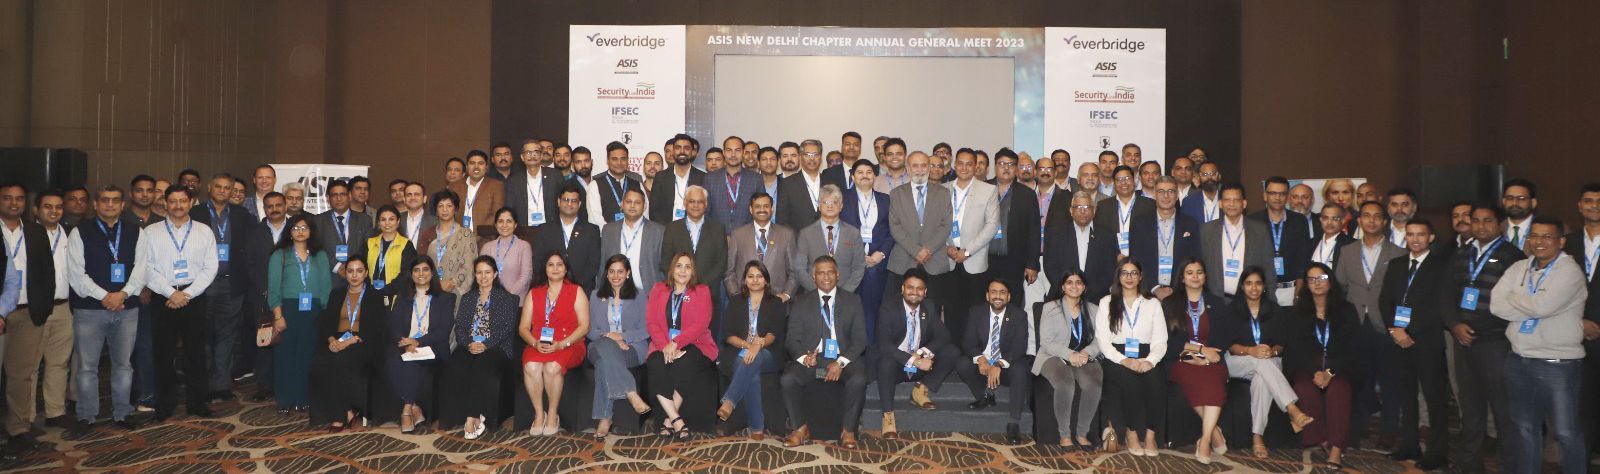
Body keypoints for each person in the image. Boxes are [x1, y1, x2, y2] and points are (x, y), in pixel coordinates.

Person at [1491, 216, 1588, 473]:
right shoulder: (1518, 267)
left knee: (1566, 432)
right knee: (1524, 428)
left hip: (1558, 364)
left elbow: (1542, 307)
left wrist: (1516, 297)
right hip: (1519, 359)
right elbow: (1496, 305)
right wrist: (1529, 303)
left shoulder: (1569, 271)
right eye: (1534, 236)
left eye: (1547, 236)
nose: (1539, 241)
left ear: (1561, 241)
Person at [1444, 204, 1524, 470]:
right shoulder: (1462, 253)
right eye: (1476, 220)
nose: (1481, 226)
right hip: (1463, 339)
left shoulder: (1512, 255)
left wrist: (1480, 327)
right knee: (1470, 406)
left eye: (1487, 220)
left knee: (1504, 408)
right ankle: (1469, 463)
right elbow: (1446, 294)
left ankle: (1510, 465)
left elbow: (1516, 301)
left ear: (1500, 224)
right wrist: (1455, 325)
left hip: (1495, 342)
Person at [65, 186, 145, 430]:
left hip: (127, 308)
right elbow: (76, 275)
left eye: (115, 200)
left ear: (122, 205)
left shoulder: (135, 231)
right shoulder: (80, 232)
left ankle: (122, 412)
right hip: (89, 310)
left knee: (123, 365)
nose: (110, 204)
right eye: (105, 200)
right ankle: (86, 415)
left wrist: (122, 294)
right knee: (87, 367)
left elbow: (142, 269)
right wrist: (106, 297)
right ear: (96, 204)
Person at [137, 186, 219, 422]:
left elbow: (210, 267)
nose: (178, 206)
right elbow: (146, 267)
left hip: (194, 296)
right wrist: (171, 293)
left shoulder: (204, 231)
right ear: (165, 203)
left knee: (196, 352)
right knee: (163, 353)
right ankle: (164, 404)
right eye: (172, 201)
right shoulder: (150, 232)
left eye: (183, 201)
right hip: (163, 298)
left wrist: (187, 294)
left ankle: (198, 403)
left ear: (191, 202)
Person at [1377, 219, 1450, 470]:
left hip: (1427, 341)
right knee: (1405, 395)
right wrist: (1394, 330)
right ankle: (1409, 444)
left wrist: (1409, 332)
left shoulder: (1441, 266)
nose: (1415, 239)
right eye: (1410, 234)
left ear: (1431, 237)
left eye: (1421, 234)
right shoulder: (1397, 264)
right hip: (1399, 340)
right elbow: (1384, 300)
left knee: (1434, 398)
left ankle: (1437, 453)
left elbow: (1440, 306)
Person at [2, 187, 72, 441]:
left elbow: (46, 273)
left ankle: (20, 426)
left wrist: (40, 308)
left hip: (30, 311)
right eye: (7, 198)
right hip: (3, 311)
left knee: (23, 374)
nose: (14, 203)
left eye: (19, 198)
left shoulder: (34, 232)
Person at [1332, 201, 1404, 447]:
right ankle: (1358, 426)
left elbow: (1401, 293)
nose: (1371, 220)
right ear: (1359, 220)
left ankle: (1389, 430)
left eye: (1377, 216)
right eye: (1366, 216)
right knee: (1359, 377)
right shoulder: (1348, 251)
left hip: (1385, 323)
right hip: (1355, 322)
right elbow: (1339, 287)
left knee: (1390, 379)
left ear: (1384, 221)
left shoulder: (1398, 253)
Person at [1224, 267, 1316, 457]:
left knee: (1261, 380)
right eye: (1249, 283)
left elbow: (1281, 344)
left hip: (1269, 361)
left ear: (1264, 286)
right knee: (1260, 363)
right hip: (1238, 361)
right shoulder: (1232, 310)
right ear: (1242, 286)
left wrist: (1271, 352)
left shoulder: (1274, 310)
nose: (1254, 288)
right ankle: (1292, 408)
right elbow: (1230, 346)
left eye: (1258, 283)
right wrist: (1251, 351)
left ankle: (1257, 437)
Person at [781, 256, 869, 449]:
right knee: (788, 379)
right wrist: (804, 358)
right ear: (814, 277)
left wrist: (840, 362)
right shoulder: (801, 301)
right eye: (821, 273)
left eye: (830, 272)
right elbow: (791, 339)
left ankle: (848, 431)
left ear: (838, 275)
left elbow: (860, 340)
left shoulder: (853, 300)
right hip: (814, 362)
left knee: (859, 379)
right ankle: (800, 428)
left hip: (843, 360)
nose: (826, 277)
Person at [190, 174, 256, 402]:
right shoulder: (195, 213)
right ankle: (204, 383)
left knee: (227, 334)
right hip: (202, 284)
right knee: (203, 334)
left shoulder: (242, 215)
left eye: (227, 188)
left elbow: (250, 248)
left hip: (231, 283)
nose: (222, 191)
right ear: (209, 188)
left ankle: (221, 384)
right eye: (218, 186)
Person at [439, 256, 520, 440]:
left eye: (487, 272)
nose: (483, 277)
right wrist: (469, 343)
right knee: (455, 364)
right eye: (479, 272)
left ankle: (473, 415)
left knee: (482, 365)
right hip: (470, 344)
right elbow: (460, 327)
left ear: (495, 274)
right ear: (475, 275)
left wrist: (485, 344)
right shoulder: (468, 298)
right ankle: (453, 416)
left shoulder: (505, 298)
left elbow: (506, 328)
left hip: (496, 347)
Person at [1094, 258, 1167, 456]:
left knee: (1156, 380)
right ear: (1118, 276)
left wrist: (1150, 361)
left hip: (1147, 355)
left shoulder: (1153, 303)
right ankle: (1131, 432)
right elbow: (1103, 341)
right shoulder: (1106, 302)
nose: (1129, 277)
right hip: (1116, 356)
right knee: (1130, 380)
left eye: (1134, 273)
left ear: (1140, 277)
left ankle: (1150, 435)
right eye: (1124, 273)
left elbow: (1160, 340)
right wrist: (1124, 360)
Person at [1287, 262, 1358, 467]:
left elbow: (1353, 348)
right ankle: (1322, 438)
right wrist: (1314, 372)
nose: (1317, 283)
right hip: (1308, 366)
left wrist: (1330, 372)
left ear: (1330, 281)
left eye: (1322, 278)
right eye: (1311, 280)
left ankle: (1336, 449)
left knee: (1339, 390)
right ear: (1306, 285)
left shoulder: (1346, 310)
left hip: (1339, 366)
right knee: (1304, 388)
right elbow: (1296, 349)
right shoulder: (1298, 312)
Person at [875, 268, 958, 439]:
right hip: (897, 365)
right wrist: (915, 360)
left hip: (921, 366)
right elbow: (884, 345)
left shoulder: (929, 306)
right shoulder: (888, 308)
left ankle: (921, 389)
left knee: (951, 352)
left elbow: (944, 335)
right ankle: (888, 416)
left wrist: (923, 352)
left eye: (919, 289)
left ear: (925, 292)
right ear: (902, 289)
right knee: (885, 362)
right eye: (910, 288)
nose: (914, 292)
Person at [1161, 258, 1230, 463]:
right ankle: (1214, 431)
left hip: (1212, 359)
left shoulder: (1217, 303)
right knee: (1195, 378)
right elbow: (1166, 341)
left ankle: (1205, 439)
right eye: (1189, 272)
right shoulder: (1169, 303)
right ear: (1182, 278)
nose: (1195, 276)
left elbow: (1223, 339)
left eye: (1199, 272)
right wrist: (1197, 351)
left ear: (1205, 276)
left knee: (1214, 381)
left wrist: (1206, 355)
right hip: (1180, 359)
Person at [645, 252, 717, 441]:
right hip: (661, 344)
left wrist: (676, 343)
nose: (683, 271)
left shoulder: (702, 291)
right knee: (655, 364)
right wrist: (665, 346)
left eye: (687, 266)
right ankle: (677, 420)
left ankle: (668, 421)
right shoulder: (658, 289)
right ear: (672, 269)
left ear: (693, 271)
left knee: (685, 364)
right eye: (679, 266)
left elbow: (701, 324)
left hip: (695, 343)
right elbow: (652, 322)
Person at [264, 213, 332, 413]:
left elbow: (326, 287)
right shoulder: (280, 255)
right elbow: (273, 288)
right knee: (285, 356)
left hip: (314, 309)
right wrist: (278, 315)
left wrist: (326, 315)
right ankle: (285, 400)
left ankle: (304, 398)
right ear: (289, 231)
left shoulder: (320, 255)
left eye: (304, 228)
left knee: (308, 355)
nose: (300, 232)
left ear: (311, 231)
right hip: (288, 309)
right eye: (295, 228)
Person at [518, 251, 590, 436]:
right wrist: (534, 343)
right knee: (531, 366)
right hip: (538, 343)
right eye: (551, 265)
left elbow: (584, 326)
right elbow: (523, 328)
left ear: (566, 269)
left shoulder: (576, 291)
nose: (555, 268)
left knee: (552, 367)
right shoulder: (534, 293)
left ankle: (552, 414)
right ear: (545, 269)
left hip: (569, 343)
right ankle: (539, 413)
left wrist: (562, 344)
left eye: (559, 264)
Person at [310, 259, 385, 431]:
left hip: (363, 341)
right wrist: (331, 341)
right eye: (350, 271)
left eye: (359, 271)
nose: (354, 275)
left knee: (340, 360)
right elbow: (327, 321)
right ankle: (347, 411)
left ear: (366, 273)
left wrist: (349, 342)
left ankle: (338, 417)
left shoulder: (375, 296)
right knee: (318, 362)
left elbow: (376, 328)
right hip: (338, 338)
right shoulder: (337, 293)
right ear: (345, 273)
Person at [955, 280, 1032, 444]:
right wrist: (980, 358)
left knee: (1020, 368)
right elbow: (968, 342)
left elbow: (1020, 346)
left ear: (1009, 297)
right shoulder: (976, 312)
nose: (998, 296)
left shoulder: (1019, 315)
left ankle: (1014, 423)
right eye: (994, 292)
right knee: (962, 363)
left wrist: (999, 364)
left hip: (1005, 366)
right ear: (987, 296)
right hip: (983, 365)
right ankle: (985, 396)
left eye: (1002, 292)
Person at [716, 261, 787, 440]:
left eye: (759, 276)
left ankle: (730, 401)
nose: (755, 280)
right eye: (750, 276)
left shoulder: (776, 302)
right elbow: (728, 335)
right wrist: (749, 346)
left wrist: (759, 345)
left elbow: (774, 333)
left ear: (766, 280)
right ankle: (757, 428)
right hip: (740, 350)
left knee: (753, 358)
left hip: (768, 352)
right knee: (750, 365)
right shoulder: (735, 301)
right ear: (744, 280)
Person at [1033, 270, 1102, 450]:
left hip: (1083, 357)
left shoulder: (1094, 310)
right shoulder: (1051, 308)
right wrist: (1070, 355)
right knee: (1065, 383)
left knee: (1093, 385)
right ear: (1063, 287)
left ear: (1084, 287)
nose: (1074, 286)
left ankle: (1082, 433)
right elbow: (1046, 342)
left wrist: (1086, 353)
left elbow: (1100, 340)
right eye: (1069, 282)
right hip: (1053, 356)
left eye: (1078, 282)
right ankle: (1064, 435)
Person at [384, 256, 454, 433]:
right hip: (406, 344)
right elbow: (393, 326)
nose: (421, 274)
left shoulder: (445, 298)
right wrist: (406, 343)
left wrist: (418, 341)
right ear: (411, 274)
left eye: (425, 269)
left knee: (411, 362)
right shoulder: (403, 298)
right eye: (416, 270)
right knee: (391, 359)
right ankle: (414, 407)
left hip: (433, 347)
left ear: (432, 273)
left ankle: (406, 411)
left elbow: (443, 330)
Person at [587, 255, 653, 440]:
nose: (615, 276)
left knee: (604, 363)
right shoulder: (595, 295)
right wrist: (610, 337)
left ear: (628, 273)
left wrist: (623, 337)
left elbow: (646, 329)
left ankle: (605, 418)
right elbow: (590, 330)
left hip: (631, 347)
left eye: (620, 271)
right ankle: (631, 392)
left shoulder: (640, 296)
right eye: (611, 271)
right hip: (599, 344)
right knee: (606, 348)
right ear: (606, 274)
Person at [942, 148, 1000, 335]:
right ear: (954, 165)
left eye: (969, 164)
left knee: (974, 313)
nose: (964, 168)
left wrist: (967, 251)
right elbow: (936, 223)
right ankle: (952, 349)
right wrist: (947, 248)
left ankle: (972, 350)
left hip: (974, 259)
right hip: (949, 259)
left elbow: (992, 226)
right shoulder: (943, 189)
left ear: (976, 167)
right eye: (960, 163)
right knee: (951, 311)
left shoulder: (988, 190)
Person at [1562, 183, 1600, 459]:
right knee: (1581, 400)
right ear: (1579, 206)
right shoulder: (1566, 243)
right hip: (1573, 332)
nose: (1594, 205)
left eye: (1599, 201)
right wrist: (1579, 322)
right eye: (1588, 200)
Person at [887, 149, 953, 302]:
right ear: (907, 168)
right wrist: (916, 250)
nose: (920, 170)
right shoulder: (896, 194)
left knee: (933, 308)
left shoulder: (943, 193)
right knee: (901, 308)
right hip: (904, 260)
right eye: (915, 166)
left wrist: (927, 249)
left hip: (935, 260)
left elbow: (946, 225)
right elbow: (895, 226)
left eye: (924, 165)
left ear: (929, 168)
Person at [659, 186, 727, 335]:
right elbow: (666, 262)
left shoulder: (718, 228)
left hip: (708, 293)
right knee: (680, 338)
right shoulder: (672, 228)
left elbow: (721, 263)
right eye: (692, 201)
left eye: (700, 202)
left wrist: (698, 286)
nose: (696, 205)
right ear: (685, 203)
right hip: (678, 294)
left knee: (706, 338)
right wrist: (683, 284)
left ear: (706, 204)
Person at [842, 160, 895, 340]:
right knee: (849, 308)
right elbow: (838, 227)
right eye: (860, 172)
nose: (865, 175)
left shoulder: (886, 200)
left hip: (877, 262)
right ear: (852, 177)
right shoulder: (842, 198)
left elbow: (892, 230)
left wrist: (882, 253)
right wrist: (858, 255)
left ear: (875, 176)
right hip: (849, 262)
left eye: (869, 172)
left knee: (873, 308)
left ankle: (871, 344)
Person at [1200, 183, 1278, 302]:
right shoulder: (1206, 230)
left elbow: (1269, 268)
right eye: (1227, 200)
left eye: (1236, 200)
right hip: (1216, 301)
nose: (1231, 204)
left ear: (1244, 203)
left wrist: (1270, 299)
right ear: (1220, 203)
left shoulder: (1260, 230)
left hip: (1250, 300)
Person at [1129, 177, 1201, 298]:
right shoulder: (1140, 223)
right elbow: (1136, 259)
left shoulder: (1190, 224)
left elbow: (1194, 259)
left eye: (1170, 191)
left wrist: (1176, 289)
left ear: (1177, 195)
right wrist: (1154, 288)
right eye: (1161, 191)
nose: (1166, 196)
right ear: (1154, 195)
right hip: (1148, 293)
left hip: (1180, 293)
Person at [988, 149, 1041, 315]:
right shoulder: (983, 188)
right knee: (985, 302)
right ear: (995, 166)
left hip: (1014, 260)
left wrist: (1032, 263)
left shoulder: (1027, 195)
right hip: (984, 258)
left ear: (1016, 168)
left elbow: (1034, 230)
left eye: (1011, 164)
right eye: (1002, 164)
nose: (1006, 168)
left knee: (1014, 303)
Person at [1044, 190, 1115, 303]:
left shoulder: (1107, 235)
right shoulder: (1057, 234)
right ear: (1071, 210)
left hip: (1097, 298)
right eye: (1078, 207)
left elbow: (1110, 270)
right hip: (1063, 297)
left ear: (1094, 211)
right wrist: (1069, 290)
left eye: (1087, 207)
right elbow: (1050, 267)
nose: (1083, 211)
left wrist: (1088, 291)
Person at [1251, 177, 1312, 306]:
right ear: (1265, 195)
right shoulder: (1253, 221)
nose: (1277, 198)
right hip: (1262, 290)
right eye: (1273, 193)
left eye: (1282, 194)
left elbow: (1303, 258)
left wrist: (1298, 292)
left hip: (1291, 289)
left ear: (1288, 197)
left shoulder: (1299, 221)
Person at [725, 192, 797, 302]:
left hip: (776, 301)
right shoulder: (738, 235)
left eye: (766, 206)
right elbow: (729, 272)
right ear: (751, 209)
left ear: (772, 209)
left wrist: (786, 295)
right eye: (757, 206)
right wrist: (736, 296)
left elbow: (794, 272)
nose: (762, 209)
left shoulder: (786, 234)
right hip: (745, 300)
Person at [794, 185, 865, 293]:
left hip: (845, 295)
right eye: (826, 202)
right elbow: (800, 268)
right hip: (813, 295)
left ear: (841, 206)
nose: (830, 206)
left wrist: (843, 293)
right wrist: (818, 292)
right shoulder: (805, 234)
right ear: (819, 206)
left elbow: (859, 268)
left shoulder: (853, 233)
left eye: (835, 202)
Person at [532, 184, 602, 288]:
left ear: (579, 204)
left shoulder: (592, 230)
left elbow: (594, 264)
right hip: (550, 288)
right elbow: (538, 262)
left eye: (574, 201)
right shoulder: (543, 230)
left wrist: (575, 288)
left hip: (582, 289)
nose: (569, 204)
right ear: (558, 202)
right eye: (565, 200)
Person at [600, 189, 665, 293]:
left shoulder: (658, 231)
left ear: (644, 206)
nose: (632, 206)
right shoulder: (608, 230)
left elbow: (664, 267)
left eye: (637, 202)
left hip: (649, 294)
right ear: (622, 204)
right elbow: (602, 266)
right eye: (628, 202)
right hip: (615, 294)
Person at [775, 140, 844, 230]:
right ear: (800, 157)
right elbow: (781, 220)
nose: (812, 158)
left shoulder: (831, 182)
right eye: (807, 155)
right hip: (798, 237)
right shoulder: (787, 184)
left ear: (820, 157)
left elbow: (839, 213)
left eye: (815, 155)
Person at [419, 191, 476, 296]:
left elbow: (469, 266)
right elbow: (421, 264)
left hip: (456, 291)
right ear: (436, 210)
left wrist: (451, 283)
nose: (444, 209)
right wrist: (434, 284)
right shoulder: (428, 234)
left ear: (456, 209)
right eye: (440, 206)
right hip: (431, 289)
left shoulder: (466, 234)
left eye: (449, 206)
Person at [313, 179, 374, 277]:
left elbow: (369, 249)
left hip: (357, 275)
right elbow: (316, 249)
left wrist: (353, 267)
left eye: (343, 194)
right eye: (334, 195)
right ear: (328, 199)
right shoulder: (318, 221)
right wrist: (337, 267)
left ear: (349, 196)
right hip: (329, 276)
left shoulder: (365, 220)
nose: (339, 198)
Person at [1094, 165, 1155, 258]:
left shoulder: (1150, 205)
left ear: (1134, 181)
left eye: (1127, 178)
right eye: (1119, 179)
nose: (1123, 182)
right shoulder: (1103, 206)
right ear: (1114, 183)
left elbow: (1152, 236)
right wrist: (1116, 255)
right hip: (1111, 259)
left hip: (1141, 259)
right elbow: (1100, 236)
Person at [705, 140, 762, 234]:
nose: (733, 154)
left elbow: (759, 211)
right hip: (716, 236)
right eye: (729, 150)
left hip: (747, 236)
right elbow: (705, 211)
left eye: (737, 150)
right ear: (724, 152)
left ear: (743, 152)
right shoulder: (710, 178)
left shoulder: (756, 179)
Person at [365, 206, 417, 306]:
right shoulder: (369, 243)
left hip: (396, 298)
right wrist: (370, 288)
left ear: (398, 222)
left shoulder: (406, 245)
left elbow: (407, 273)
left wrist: (387, 289)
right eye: (383, 219)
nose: (387, 223)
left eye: (391, 219)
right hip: (370, 295)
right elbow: (362, 268)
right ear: (378, 223)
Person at [649, 134, 707, 223]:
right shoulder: (660, 177)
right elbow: (654, 210)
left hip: (694, 228)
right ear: (673, 151)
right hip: (666, 229)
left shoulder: (703, 178)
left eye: (686, 148)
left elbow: (707, 209)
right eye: (678, 148)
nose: (682, 151)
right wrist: (666, 229)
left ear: (692, 152)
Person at [505, 140, 563, 228]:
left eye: (536, 152)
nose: (532, 155)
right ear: (522, 157)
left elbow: (563, 203)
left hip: (550, 228)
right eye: (528, 152)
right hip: (524, 229)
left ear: (541, 156)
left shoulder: (555, 176)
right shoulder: (514, 180)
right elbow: (510, 208)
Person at [590, 141, 649, 226]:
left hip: (635, 233)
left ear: (628, 160)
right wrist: (612, 233)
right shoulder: (595, 185)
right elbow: (595, 219)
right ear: (607, 161)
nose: (619, 163)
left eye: (623, 159)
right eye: (614, 159)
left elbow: (645, 214)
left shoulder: (637, 184)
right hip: (605, 234)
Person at [447, 151, 506, 231]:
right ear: (467, 167)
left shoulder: (496, 186)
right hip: (458, 235)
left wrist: (478, 234)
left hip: (485, 235)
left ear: (486, 167)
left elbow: (497, 214)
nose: (476, 167)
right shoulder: (454, 187)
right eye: (472, 163)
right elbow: (449, 213)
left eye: (480, 163)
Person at [482, 208, 534, 296]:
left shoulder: (524, 246)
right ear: (496, 224)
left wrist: (508, 297)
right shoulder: (487, 247)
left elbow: (525, 276)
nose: (504, 225)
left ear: (515, 224)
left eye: (509, 221)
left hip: (515, 299)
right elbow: (481, 274)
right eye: (500, 221)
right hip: (490, 299)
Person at [1308, 203, 1355, 270]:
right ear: (1320, 219)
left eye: (1335, 219)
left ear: (1343, 221)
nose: (1329, 222)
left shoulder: (1351, 245)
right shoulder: (1310, 243)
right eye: (1325, 218)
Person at [1501, 178, 1537, 250]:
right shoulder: (1495, 229)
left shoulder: (1546, 229)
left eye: (1521, 198)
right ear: (1504, 201)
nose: (1514, 203)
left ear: (1533, 202)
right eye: (1510, 198)